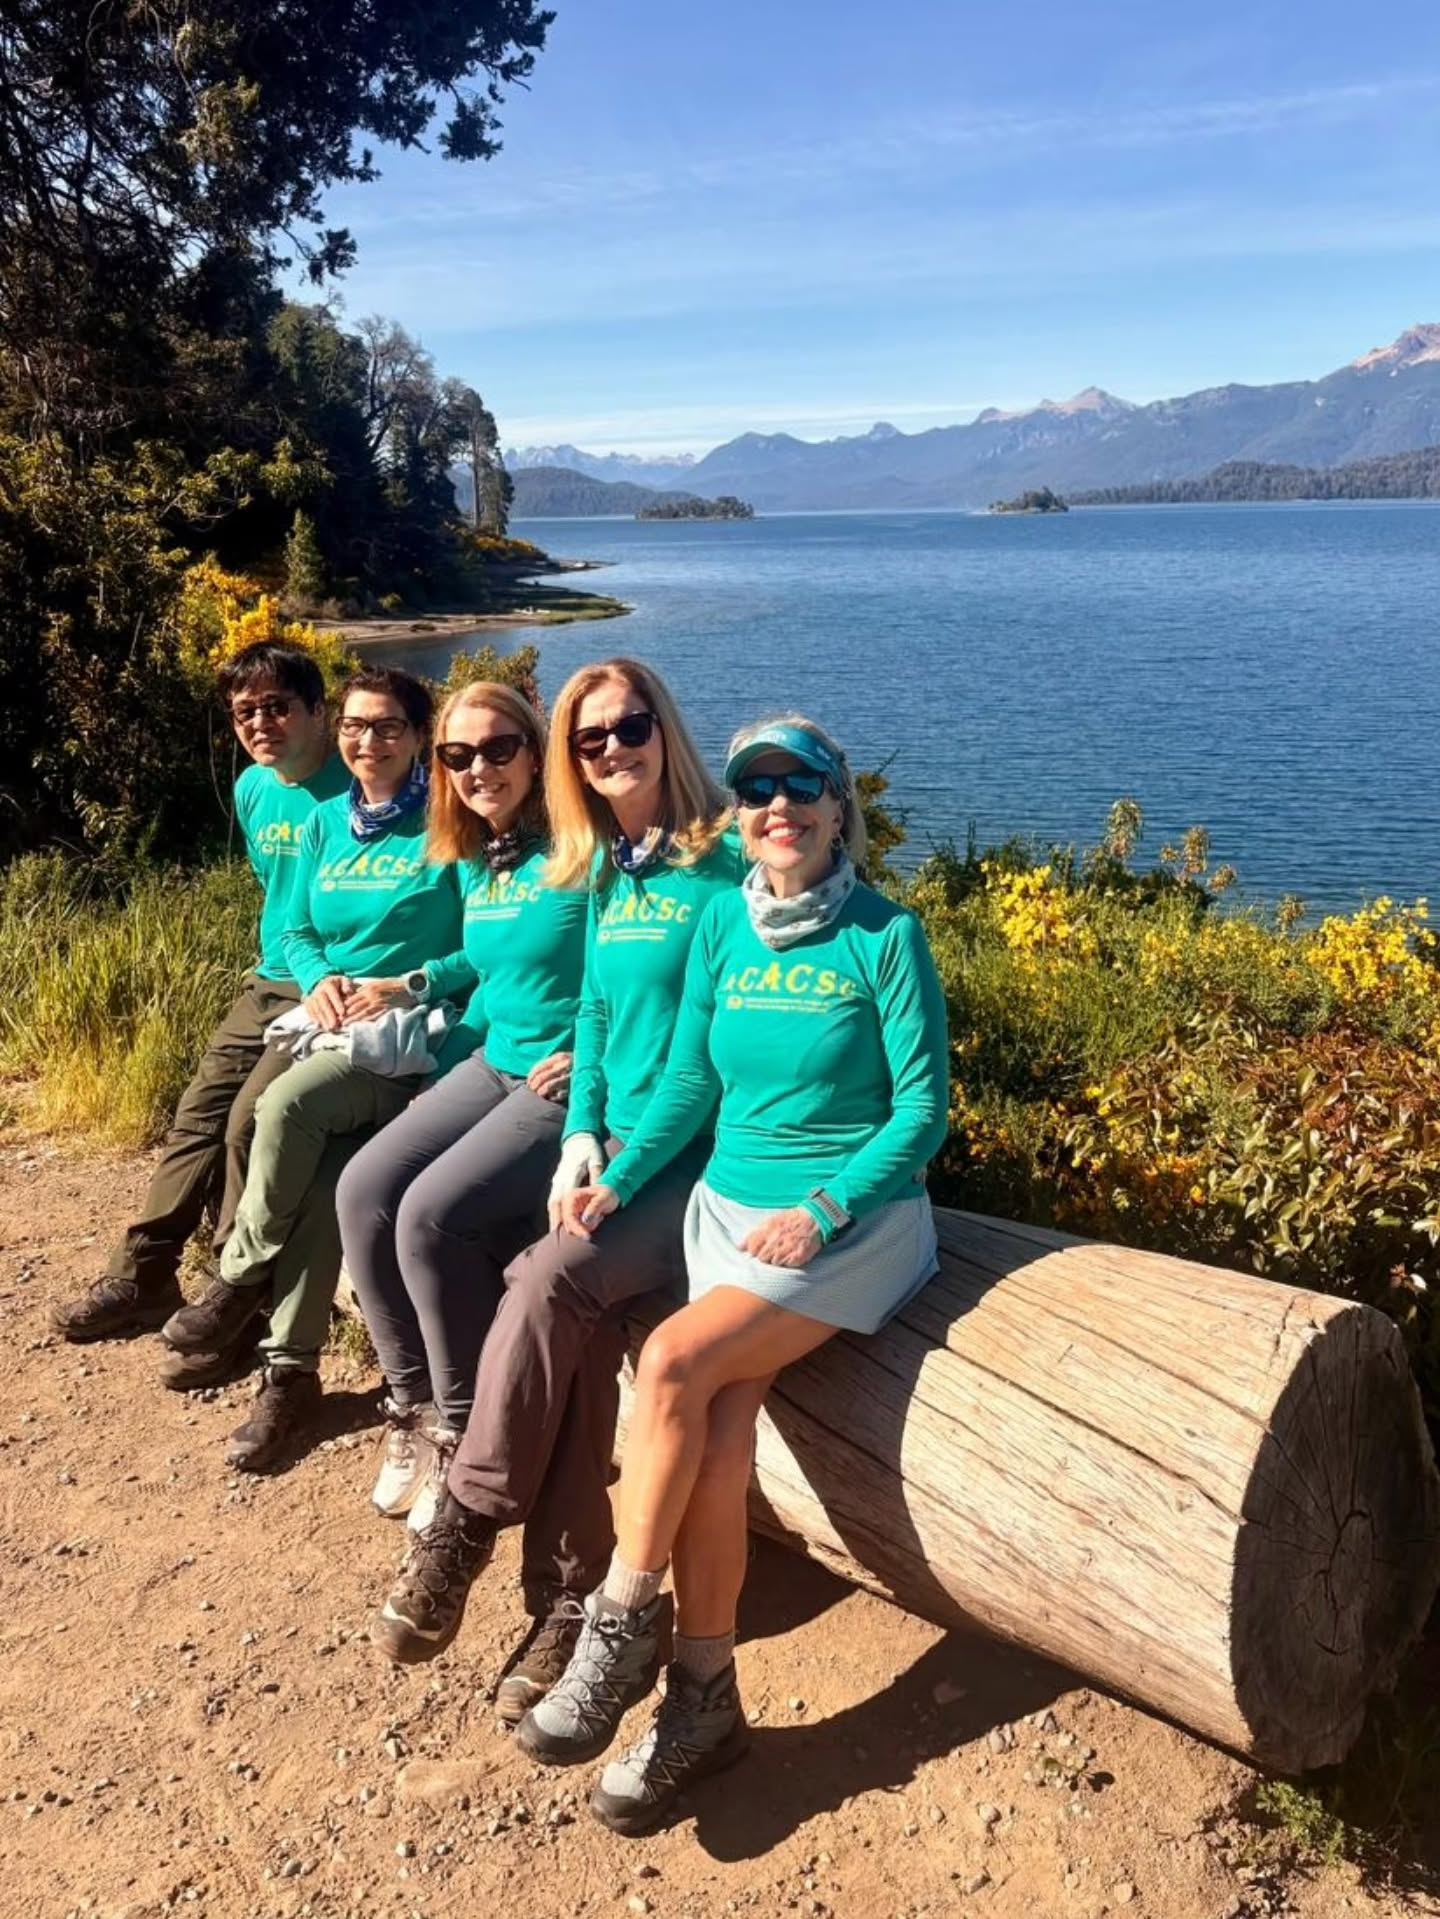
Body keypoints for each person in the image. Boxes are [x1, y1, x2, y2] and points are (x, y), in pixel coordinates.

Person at [516, 714, 950, 1836]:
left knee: (666, 1364)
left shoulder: (884, 935)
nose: (778, 807)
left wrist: (826, 1207)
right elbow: (695, 1085)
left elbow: (922, 1110)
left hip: (851, 1224)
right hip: (726, 1212)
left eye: (801, 786)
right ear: (741, 815)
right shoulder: (725, 927)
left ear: (837, 804)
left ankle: (620, 1626)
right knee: (716, 1428)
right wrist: (614, 1169)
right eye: (757, 790)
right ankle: (705, 1701)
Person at [370, 657, 745, 1730]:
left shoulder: (718, 870)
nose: (614, 748)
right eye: (591, 739)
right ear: (572, 761)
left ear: (664, 728)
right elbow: (593, 1016)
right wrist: (579, 1128)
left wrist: (614, 1168)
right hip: (616, 1145)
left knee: (546, 1276)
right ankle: (568, 1602)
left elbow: (698, 1065)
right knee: (570, 1322)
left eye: (629, 726)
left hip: (694, 1161)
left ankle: (468, 1522)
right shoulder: (617, 865)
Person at [159, 666, 474, 1469]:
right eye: (357, 727)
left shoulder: (452, 824)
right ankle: (290, 1377)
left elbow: (489, 947)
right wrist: (323, 978)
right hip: (335, 1026)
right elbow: (293, 928)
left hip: (419, 1038)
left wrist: (405, 984)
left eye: (389, 727)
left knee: (285, 1108)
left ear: (420, 738)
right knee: (331, 1184)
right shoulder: (327, 822)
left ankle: (237, 1279)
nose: (369, 742)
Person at [335, 681, 587, 1538]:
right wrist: (408, 984)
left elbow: (651, 970)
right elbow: (486, 963)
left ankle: (464, 1428)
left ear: (535, 747)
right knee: (362, 1188)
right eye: (457, 754)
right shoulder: (485, 853)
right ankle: (408, 1401)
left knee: (428, 1217)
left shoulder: (581, 845)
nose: (479, 768)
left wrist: (596, 1053)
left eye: (499, 748)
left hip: (561, 1081)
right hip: (494, 1060)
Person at [49, 642, 346, 1344]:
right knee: (197, 1114)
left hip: (331, 989)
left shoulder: (354, 783)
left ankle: (233, 1285)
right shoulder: (252, 788)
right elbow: (275, 891)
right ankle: (145, 1271)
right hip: (270, 976)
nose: (261, 723)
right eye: (246, 712)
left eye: (278, 706)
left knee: (248, 1119)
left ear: (317, 710)